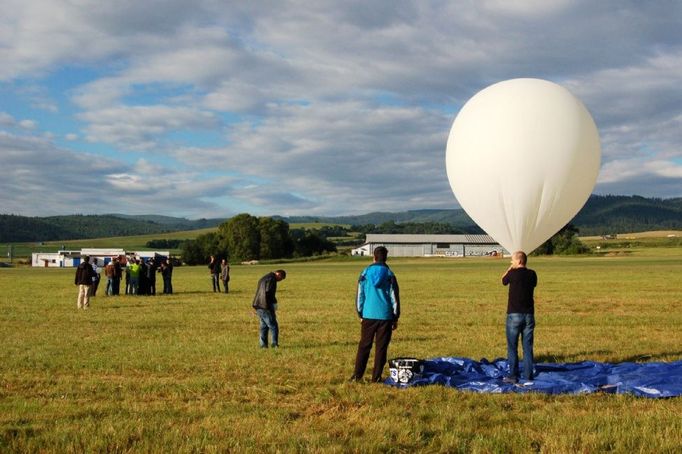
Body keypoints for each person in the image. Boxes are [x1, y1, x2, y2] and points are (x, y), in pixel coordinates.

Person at [350, 246, 400, 383]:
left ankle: (357, 375)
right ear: (386, 257)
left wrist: (360, 313)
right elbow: (394, 298)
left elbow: (360, 295)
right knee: (381, 348)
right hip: (385, 316)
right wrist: (395, 317)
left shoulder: (365, 273)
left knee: (364, 345)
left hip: (368, 314)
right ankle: (376, 377)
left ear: (374, 257)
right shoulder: (390, 274)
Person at [501, 251, 538, 384]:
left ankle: (513, 375)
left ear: (519, 261)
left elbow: (503, 281)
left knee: (512, 346)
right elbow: (533, 284)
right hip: (529, 315)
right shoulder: (532, 274)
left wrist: (509, 269)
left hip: (514, 314)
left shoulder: (512, 273)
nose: (511, 263)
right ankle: (528, 376)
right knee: (527, 346)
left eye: (512, 260)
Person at [252, 269, 287, 348]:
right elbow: (268, 292)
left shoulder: (265, 277)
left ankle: (263, 345)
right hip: (265, 305)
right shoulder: (272, 279)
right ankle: (274, 344)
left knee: (264, 325)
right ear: (279, 274)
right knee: (273, 325)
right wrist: (273, 303)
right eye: (281, 278)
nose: (280, 280)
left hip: (257, 304)